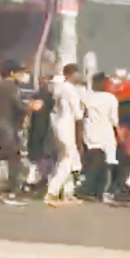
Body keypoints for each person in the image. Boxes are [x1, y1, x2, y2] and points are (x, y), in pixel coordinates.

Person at [0, 60, 29, 203]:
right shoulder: (13, 88)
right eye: (21, 72)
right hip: (7, 128)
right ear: (12, 73)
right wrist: (30, 107)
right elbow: (19, 107)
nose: (24, 75)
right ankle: (12, 192)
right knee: (15, 159)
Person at [45, 63, 85, 206]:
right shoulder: (70, 90)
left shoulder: (60, 88)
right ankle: (52, 192)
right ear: (71, 74)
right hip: (67, 125)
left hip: (60, 124)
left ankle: (67, 192)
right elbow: (78, 114)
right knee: (67, 159)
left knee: (68, 157)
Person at [80, 72, 120, 202]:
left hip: (90, 134)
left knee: (92, 164)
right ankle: (104, 192)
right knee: (108, 164)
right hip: (106, 134)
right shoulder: (110, 98)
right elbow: (114, 120)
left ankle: (89, 189)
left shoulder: (87, 97)